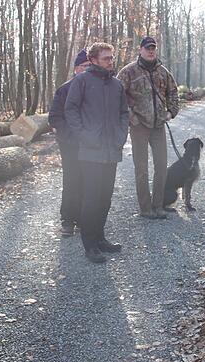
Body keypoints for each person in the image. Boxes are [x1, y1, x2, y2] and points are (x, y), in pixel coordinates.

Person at [64, 42, 129, 263]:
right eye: (106, 58)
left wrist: (121, 137)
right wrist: (85, 136)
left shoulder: (117, 85)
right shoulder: (81, 81)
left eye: (112, 57)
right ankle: (89, 245)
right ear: (93, 60)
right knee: (91, 199)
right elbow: (70, 110)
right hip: (90, 151)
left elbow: (123, 113)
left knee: (105, 197)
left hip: (112, 149)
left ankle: (100, 239)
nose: (111, 61)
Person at [117, 36, 179, 220]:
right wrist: (131, 117)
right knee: (141, 168)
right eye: (147, 48)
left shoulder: (163, 72)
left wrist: (171, 112)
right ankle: (145, 208)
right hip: (139, 127)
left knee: (161, 166)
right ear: (140, 50)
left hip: (159, 125)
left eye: (153, 48)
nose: (151, 51)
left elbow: (173, 92)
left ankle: (158, 206)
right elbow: (117, 97)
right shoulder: (128, 71)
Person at [49, 49, 91, 237]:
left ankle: (85, 218)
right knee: (72, 181)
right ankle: (68, 220)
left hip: (91, 145)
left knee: (89, 181)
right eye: (84, 66)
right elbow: (55, 118)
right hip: (70, 144)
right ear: (76, 69)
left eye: (91, 66)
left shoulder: (95, 88)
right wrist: (71, 137)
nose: (88, 69)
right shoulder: (64, 89)